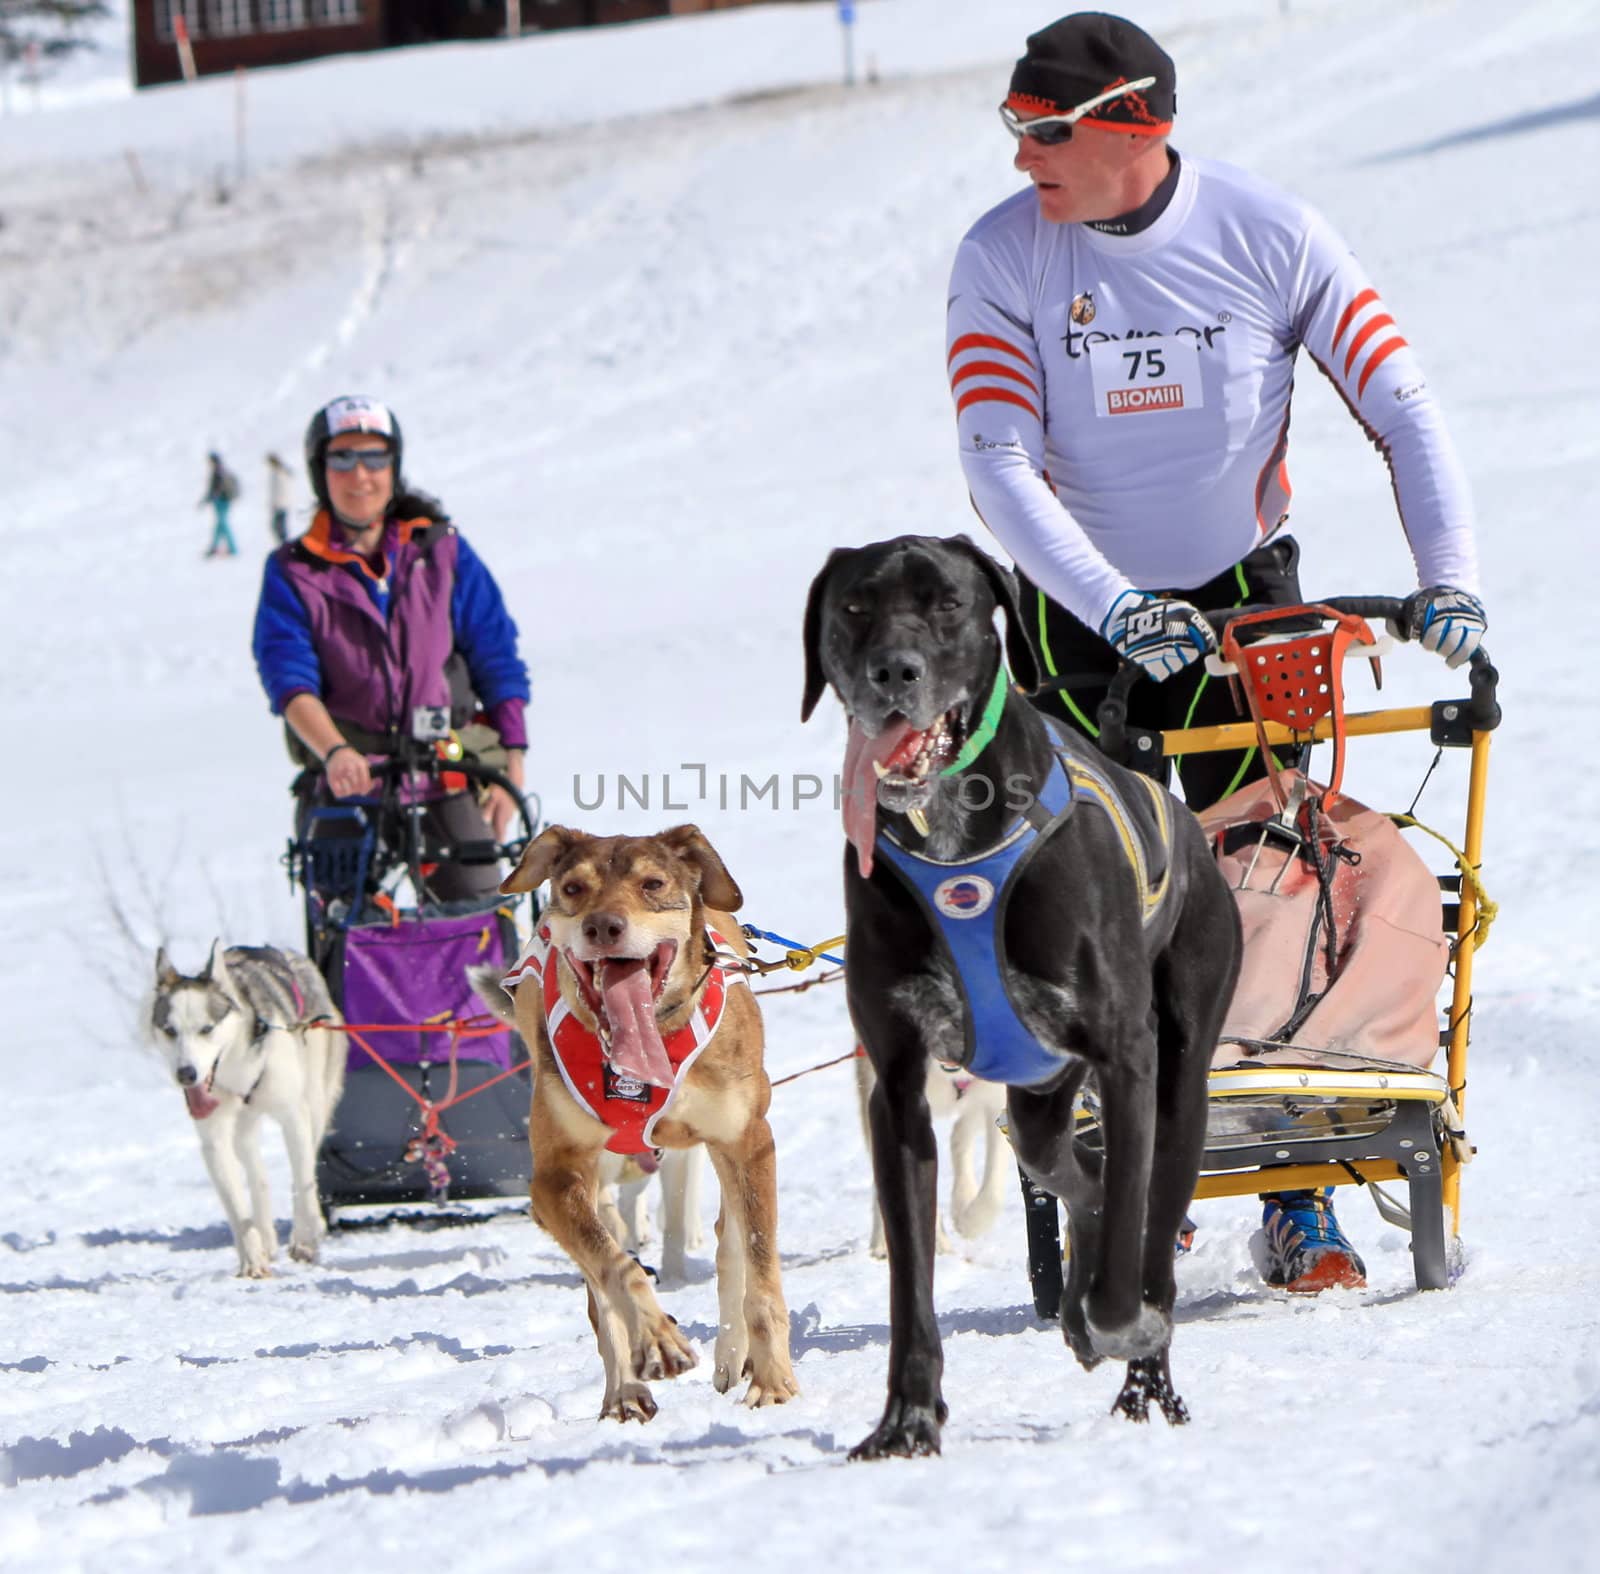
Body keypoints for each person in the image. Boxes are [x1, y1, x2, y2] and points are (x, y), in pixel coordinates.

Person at [945, 13, 1487, 1292]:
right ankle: (1124, 1175)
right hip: (1077, 615)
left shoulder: (1269, 230)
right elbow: (997, 463)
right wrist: (1112, 599)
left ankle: (1297, 1197)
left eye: (1048, 131)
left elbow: (1400, 406)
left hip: (1246, 603)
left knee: (1262, 883)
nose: (1023, 156)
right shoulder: (1000, 255)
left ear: (1138, 124)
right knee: (1089, 904)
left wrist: (1447, 577)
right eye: (1011, 128)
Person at [250, 395, 530, 904]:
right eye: (343, 458)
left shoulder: (440, 552)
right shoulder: (293, 571)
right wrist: (334, 751)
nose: (361, 475)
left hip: (443, 769)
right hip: (347, 778)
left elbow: (496, 652)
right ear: (320, 470)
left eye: (375, 458)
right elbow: (289, 679)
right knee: (344, 917)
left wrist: (512, 752)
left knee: (482, 910)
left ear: (394, 467)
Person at [200, 451, 240, 558]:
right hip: (223, 500)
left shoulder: (218, 472)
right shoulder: (222, 471)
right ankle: (214, 547)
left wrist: (209, 498)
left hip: (221, 501)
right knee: (219, 525)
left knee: (223, 524)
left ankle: (233, 548)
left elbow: (215, 489)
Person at [265, 451, 294, 545]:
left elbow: (280, 490)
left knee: (279, 527)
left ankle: (284, 546)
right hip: (281, 504)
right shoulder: (279, 472)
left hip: (280, 504)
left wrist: (276, 503)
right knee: (278, 527)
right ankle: (283, 545)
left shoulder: (279, 473)